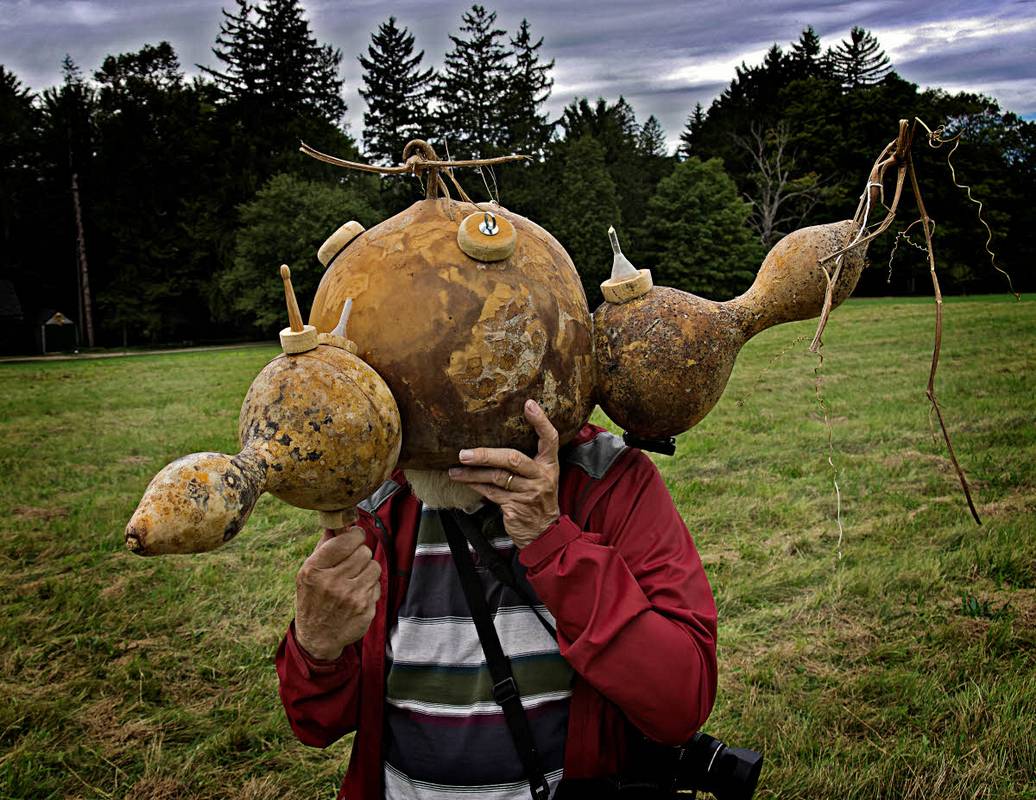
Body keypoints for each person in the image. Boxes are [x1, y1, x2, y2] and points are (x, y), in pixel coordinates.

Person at [276, 399, 718, 799]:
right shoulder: (379, 498)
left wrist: (553, 542)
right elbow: (315, 723)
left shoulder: (608, 479)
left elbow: (679, 704)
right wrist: (317, 646)